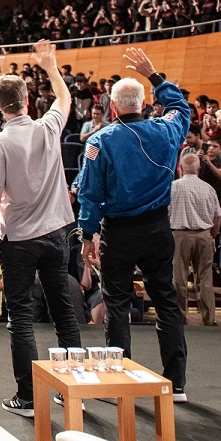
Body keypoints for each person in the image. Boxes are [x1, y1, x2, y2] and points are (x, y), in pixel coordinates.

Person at [77, 47, 189, 402]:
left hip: (119, 232)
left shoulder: (98, 142)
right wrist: (154, 75)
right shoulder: (168, 132)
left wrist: (87, 234)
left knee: (117, 303)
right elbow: (181, 109)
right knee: (166, 302)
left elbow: (90, 194)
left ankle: (118, 379)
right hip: (158, 228)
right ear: (143, 104)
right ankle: (177, 383)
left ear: (112, 107)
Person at [0, 40, 81, 418]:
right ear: (26, 99)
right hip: (57, 233)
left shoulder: (0, 140)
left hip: (20, 237)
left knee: (20, 315)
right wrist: (51, 66)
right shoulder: (48, 126)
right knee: (63, 311)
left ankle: (28, 397)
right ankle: (74, 388)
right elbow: (65, 100)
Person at [170, 152, 221, 326]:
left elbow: (164, 214)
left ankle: (180, 317)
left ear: (180, 168)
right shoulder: (208, 188)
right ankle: (209, 318)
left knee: (179, 278)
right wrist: (212, 236)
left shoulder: (173, 187)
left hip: (179, 235)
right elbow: (217, 216)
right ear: (199, 170)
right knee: (205, 278)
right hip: (204, 235)